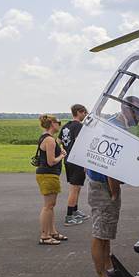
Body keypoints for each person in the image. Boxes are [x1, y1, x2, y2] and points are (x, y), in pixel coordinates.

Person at [88, 99, 139, 277]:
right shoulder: (117, 130)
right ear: (127, 110)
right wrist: (114, 191)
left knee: (105, 232)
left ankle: (109, 267)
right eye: (138, 113)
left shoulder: (113, 124)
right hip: (104, 186)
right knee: (100, 233)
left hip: (100, 183)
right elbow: (110, 166)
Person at [35, 114, 68, 245]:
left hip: (48, 175)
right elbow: (51, 161)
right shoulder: (49, 140)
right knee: (48, 206)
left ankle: (52, 232)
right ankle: (44, 235)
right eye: (58, 122)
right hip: (48, 174)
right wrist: (62, 155)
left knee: (51, 205)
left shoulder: (47, 138)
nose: (59, 125)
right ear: (52, 124)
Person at [59, 104, 90, 226]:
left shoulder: (66, 126)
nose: (85, 115)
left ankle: (75, 210)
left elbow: (59, 141)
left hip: (68, 160)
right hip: (77, 160)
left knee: (75, 187)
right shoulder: (79, 126)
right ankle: (69, 216)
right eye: (84, 113)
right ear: (79, 112)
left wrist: (63, 150)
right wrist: (85, 161)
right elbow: (80, 143)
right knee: (74, 188)